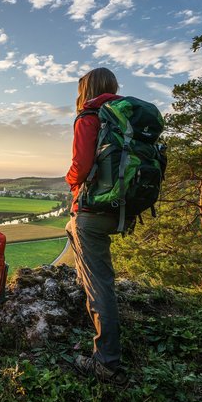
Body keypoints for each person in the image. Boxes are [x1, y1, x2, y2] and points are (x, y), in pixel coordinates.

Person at [65, 67, 127, 385]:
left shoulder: (89, 117)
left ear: (86, 90)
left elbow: (81, 165)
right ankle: (88, 298)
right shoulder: (122, 117)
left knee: (100, 282)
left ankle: (107, 362)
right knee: (70, 229)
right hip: (120, 208)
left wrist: (69, 181)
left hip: (93, 209)